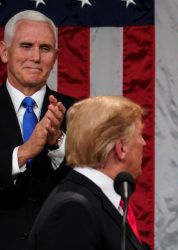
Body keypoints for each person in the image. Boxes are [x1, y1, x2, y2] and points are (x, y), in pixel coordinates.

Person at [27, 96, 150, 250]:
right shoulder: (73, 210)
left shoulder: (94, 199)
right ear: (121, 148)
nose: (143, 143)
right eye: (139, 135)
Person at [0, 10, 77, 250]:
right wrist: (21, 154)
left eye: (45, 48)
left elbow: (90, 186)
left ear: (55, 56)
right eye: (26, 46)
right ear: (4, 51)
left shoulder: (79, 112)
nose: (35, 56)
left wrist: (58, 145)